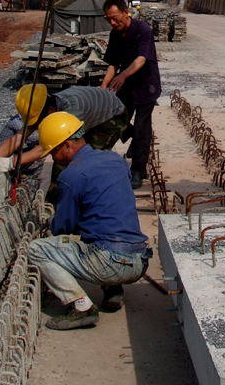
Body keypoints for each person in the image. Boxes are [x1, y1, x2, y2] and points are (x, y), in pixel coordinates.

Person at [28, 112, 151, 330]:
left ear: (66, 146)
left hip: (111, 262)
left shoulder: (71, 176)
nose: (53, 158)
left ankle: (80, 307)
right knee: (102, 227)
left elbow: (62, 228)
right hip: (140, 259)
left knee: (37, 249)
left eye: (52, 152)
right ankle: (113, 290)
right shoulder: (115, 159)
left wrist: (51, 223)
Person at [101, 0, 162, 189]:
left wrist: (123, 76)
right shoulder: (115, 35)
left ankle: (138, 170)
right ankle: (133, 140)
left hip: (146, 86)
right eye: (108, 19)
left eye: (115, 17)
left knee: (142, 128)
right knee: (117, 119)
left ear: (126, 12)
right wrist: (103, 88)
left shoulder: (142, 30)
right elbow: (113, 63)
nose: (113, 22)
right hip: (126, 87)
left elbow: (141, 59)